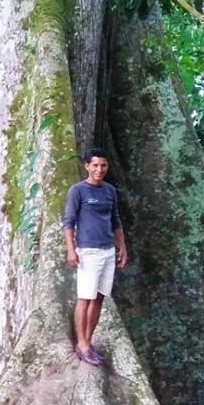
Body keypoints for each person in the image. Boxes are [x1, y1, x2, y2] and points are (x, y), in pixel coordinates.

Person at [62, 147, 127, 366]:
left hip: (107, 250)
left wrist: (122, 248)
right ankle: (81, 343)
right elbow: (69, 222)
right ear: (87, 166)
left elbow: (115, 221)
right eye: (95, 165)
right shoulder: (78, 191)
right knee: (85, 297)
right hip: (87, 251)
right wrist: (71, 250)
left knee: (99, 297)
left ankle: (88, 343)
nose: (99, 169)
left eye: (103, 165)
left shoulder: (109, 191)